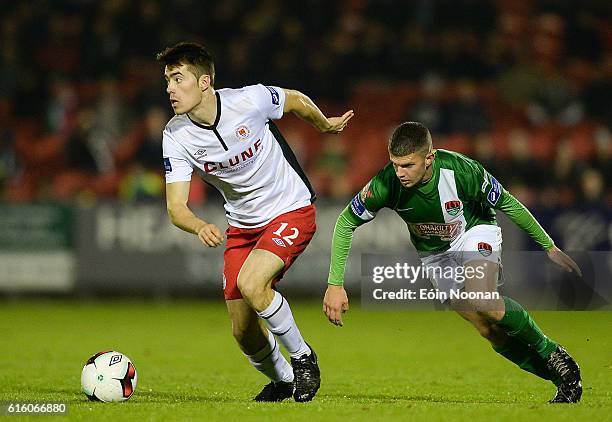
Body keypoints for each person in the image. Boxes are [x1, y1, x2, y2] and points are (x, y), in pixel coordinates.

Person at [323, 121, 583, 403]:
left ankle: (552, 353)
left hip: (474, 229)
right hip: (434, 254)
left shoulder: (462, 171)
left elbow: (507, 203)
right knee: (487, 329)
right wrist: (335, 284)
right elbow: (346, 221)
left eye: (408, 165)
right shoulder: (385, 183)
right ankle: (560, 379)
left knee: (483, 300)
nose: (399, 173)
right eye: (395, 164)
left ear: (429, 157)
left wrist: (548, 246)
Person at [157, 41, 354, 402]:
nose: (169, 88)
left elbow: (293, 99)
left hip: (290, 208)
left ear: (204, 82)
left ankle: (303, 358)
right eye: (167, 80)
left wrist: (323, 124)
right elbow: (175, 207)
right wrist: (199, 225)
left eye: (177, 78)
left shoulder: (248, 100)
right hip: (243, 228)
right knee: (243, 331)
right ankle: (283, 381)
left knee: (252, 283)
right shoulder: (176, 135)